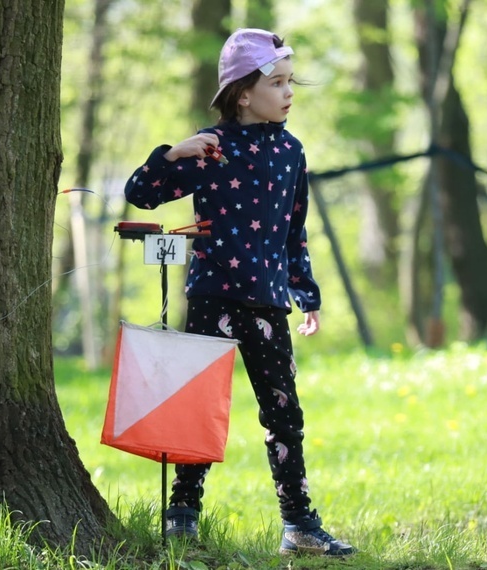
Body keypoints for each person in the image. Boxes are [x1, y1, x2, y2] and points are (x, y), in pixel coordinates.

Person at [123, 28, 354, 557]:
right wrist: (172, 153)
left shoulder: (292, 153)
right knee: (197, 406)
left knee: (283, 413)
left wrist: (307, 294)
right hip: (212, 297)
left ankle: (298, 524)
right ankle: (182, 515)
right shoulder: (210, 148)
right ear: (243, 93)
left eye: (290, 81)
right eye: (277, 83)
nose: (289, 92)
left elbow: (295, 231)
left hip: (269, 302)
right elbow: (140, 194)